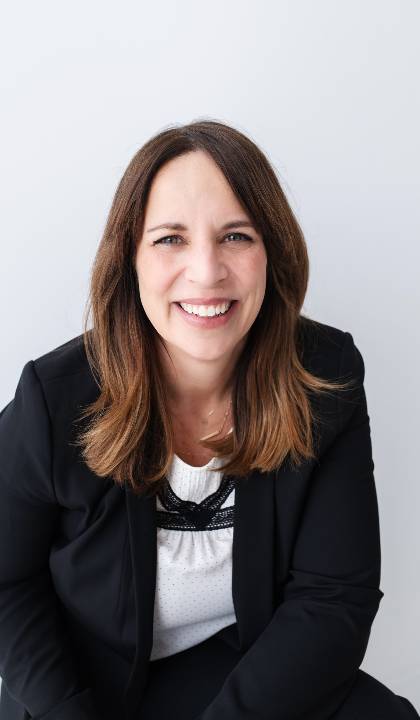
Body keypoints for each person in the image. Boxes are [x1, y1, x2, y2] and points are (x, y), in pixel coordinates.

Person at [0, 120, 418, 720]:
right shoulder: (55, 397)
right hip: (80, 682)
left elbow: (332, 599)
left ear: (272, 250)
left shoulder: (326, 377)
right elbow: (7, 584)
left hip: (240, 672)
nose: (206, 271)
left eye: (236, 236)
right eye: (170, 238)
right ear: (131, 259)